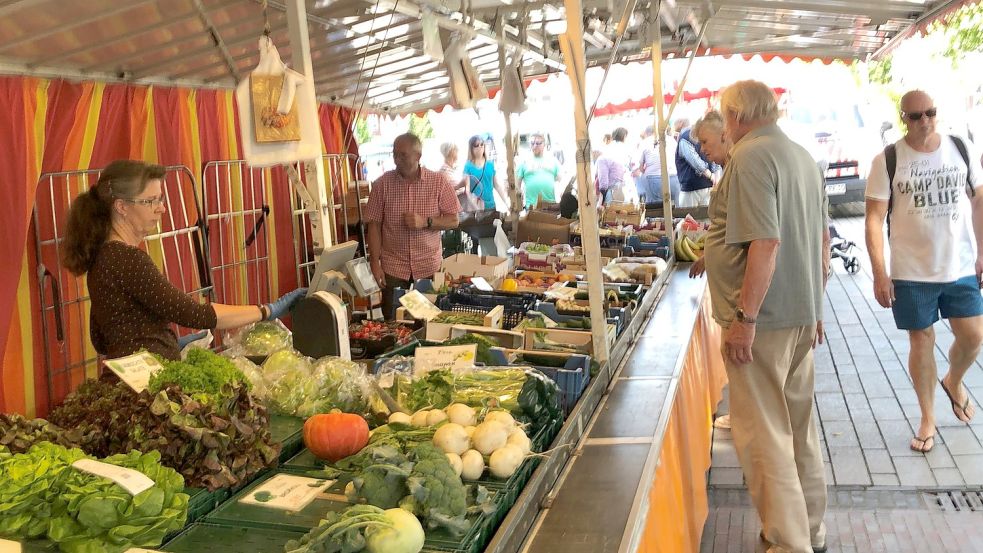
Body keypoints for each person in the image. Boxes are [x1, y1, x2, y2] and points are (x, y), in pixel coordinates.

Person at [704, 80, 830, 553]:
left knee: (765, 438)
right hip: (796, 314)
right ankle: (811, 531)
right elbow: (821, 239)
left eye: (724, 117)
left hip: (764, 321)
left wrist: (744, 318)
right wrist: (815, 305)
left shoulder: (751, 158)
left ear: (735, 115)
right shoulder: (798, 155)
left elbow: (767, 241)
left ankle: (788, 541)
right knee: (797, 429)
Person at [62, 160, 306, 361]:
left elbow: (101, 337)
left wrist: (163, 339)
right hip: (147, 383)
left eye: (161, 198)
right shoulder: (128, 259)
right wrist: (267, 310)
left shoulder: (104, 256)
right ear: (121, 207)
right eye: (151, 201)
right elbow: (195, 315)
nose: (162, 209)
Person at [864, 90, 982, 454]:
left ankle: (954, 380)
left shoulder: (960, 148)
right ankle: (927, 417)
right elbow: (873, 219)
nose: (924, 121)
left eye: (930, 112)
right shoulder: (888, 159)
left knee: (974, 335)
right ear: (904, 119)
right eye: (915, 116)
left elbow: (978, 200)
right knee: (921, 341)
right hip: (911, 270)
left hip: (959, 264)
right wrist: (880, 273)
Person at [366, 133, 461, 319]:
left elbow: (454, 220)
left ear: (418, 156)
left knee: (428, 321)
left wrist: (426, 222)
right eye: (394, 154)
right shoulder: (382, 184)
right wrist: (374, 263)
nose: (397, 160)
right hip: (393, 267)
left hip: (428, 267)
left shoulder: (438, 182)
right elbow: (374, 226)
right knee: (394, 322)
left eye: (403, 155)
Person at [675, 118, 719, 207]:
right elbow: (714, 157)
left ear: (681, 123)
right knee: (706, 218)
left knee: (688, 218)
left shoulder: (684, 138)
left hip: (691, 187)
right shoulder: (705, 135)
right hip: (708, 185)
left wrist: (711, 176)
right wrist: (715, 176)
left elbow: (695, 161)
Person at [633, 125, 680, 204]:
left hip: (653, 178)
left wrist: (644, 171)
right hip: (673, 178)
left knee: (656, 209)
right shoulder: (672, 140)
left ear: (648, 133)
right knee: (674, 207)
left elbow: (640, 166)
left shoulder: (645, 142)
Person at [517, 132, 561, 208]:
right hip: (531, 206)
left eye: (538, 143)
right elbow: (517, 184)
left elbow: (560, 181)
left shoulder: (553, 161)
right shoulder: (524, 162)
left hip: (550, 205)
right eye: (532, 143)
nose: (534, 146)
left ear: (544, 144)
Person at [596, 127, 633, 203]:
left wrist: (602, 197)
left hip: (612, 192)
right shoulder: (626, 150)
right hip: (626, 190)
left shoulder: (605, 154)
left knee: (612, 213)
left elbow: (603, 182)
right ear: (624, 137)